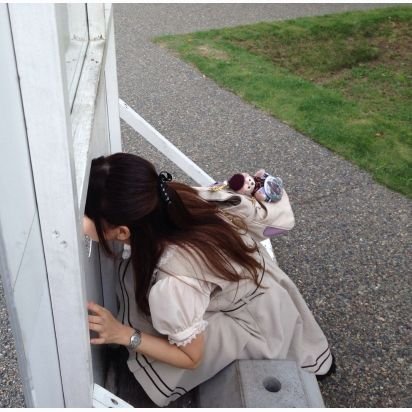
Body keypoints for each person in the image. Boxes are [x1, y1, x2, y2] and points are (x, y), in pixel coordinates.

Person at [83, 152, 334, 407]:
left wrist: (125, 335)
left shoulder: (175, 281)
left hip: (258, 322)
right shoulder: (172, 198)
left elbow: (191, 358)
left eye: (84, 215)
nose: (79, 220)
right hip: (264, 292)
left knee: (161, 343)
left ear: (122, 232)